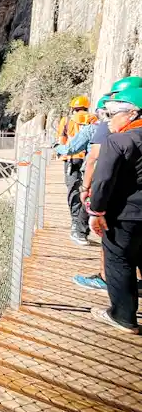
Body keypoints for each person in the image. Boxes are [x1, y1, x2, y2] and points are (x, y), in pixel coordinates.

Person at [88, 87, 142, 334]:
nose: (110, 120)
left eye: (113, 113)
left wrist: (97, 212)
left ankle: (123, 315)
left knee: (119, 260)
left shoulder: (119, 141)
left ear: (131, 114)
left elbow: (103, 181)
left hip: (124, 215)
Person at [56, 95, 96, 245]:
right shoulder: (93, 119)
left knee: (73, 189)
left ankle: (75, 222)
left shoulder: (66, 121)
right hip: (88, 159)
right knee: (87, 190)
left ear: (73, 108)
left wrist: (59, 151)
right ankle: (82, 225)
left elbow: (62, 140)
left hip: (71, 159)